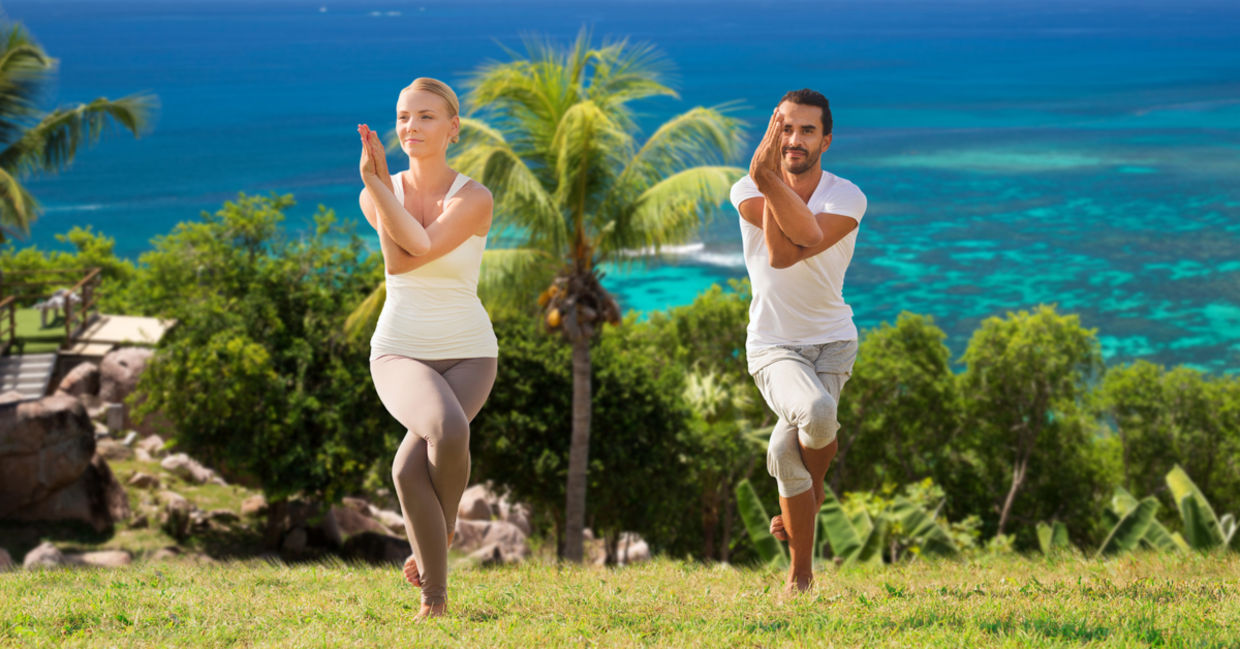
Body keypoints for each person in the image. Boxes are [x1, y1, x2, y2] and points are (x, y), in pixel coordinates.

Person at [357, 77, 497, 619]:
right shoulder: (375, 193)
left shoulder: (474, 197)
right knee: (449, 429)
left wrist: (378, 187)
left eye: (426, 117)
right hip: (399, 353)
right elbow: (398, 264)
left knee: (406, 471)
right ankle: (447, 541)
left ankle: (433, 596)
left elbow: (420, 246)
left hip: (471, 353)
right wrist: (377, 186)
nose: (410, 127)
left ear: (453, 128)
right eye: (402, 117)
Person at [729, 88, 867, 592]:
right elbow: (781, 252)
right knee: (817, 413)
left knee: (788, 450)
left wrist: (769, 175)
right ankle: (817, 497)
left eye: (807, 130)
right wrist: (764, 178)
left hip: (833, 343)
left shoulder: (846, 196)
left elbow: (799, 241)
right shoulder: (745, 189)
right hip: (773, 347)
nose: (794, 139)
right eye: (784, 128)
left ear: (826, 139)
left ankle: (800, 577)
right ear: (772, 132)